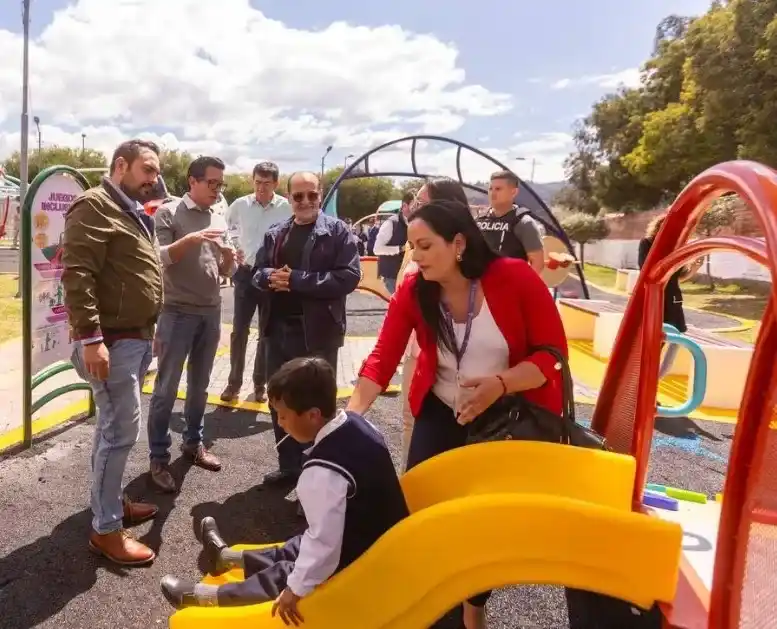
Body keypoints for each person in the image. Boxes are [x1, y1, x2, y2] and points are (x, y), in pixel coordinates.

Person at [346, 198, 567, 629]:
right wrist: (349, 417)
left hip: (506, 417)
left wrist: (500, 385)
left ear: (459, 243)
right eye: (412, 247)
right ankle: (423, 599)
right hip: (442, 409)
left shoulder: (514, 277)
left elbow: (553, 356)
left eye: (426, 246)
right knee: (422, 509)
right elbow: (382, 358)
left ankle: (473, 604)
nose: (416, 257)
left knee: (483, 525)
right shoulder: (415, 289)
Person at [159, 357, 409, 620]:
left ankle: (205, 599)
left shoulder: (323, 472)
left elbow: (324, 546)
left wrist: (295, 589)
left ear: (313, 415)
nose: (279, 423)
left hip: (364, 564)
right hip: (381, 542)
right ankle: (227, 558)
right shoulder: (357, 424)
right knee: (297, 546)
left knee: (285, 574)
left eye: (283, 415)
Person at [61, 139, 164, 565]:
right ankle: (105, 530)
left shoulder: (130, 210)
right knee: (119, 434)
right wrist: (91, 340)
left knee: (113, 431)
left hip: (133, 339)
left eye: (156, 172)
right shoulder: (95, 205)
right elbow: (77, 273)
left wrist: (148, 329)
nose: (153, 179)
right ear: (121, 165)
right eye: (147, 169)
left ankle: (111, 504)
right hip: (112, 343)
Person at [253, 171, 361, 486]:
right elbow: (257, 272)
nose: (305, 202)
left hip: (318, 333)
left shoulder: (338, 231)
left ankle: (317, 478)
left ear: (320, 195)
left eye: (311, 195)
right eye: (298, 196)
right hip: (278, 330)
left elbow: (348, 277)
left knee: (315, 406)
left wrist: (297, 280)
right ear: (288, 198)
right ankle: (289, 467)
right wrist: (269, 277)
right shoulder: (276, 233)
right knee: (280, 399)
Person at [146, 156, 237, 492]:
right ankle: (158, 457)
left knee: (200, 385)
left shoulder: (217, 215)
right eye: (212, 183)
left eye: (220, 184)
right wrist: (194, 238)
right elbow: (161, 257)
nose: (217, 190)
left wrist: (229, 258)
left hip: (211, 311)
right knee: (166, 388)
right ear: (193, 181)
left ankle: (193, 443)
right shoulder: (169, 212)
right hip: (177, 312)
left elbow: (225, 270)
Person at [398, 178, 471, 469]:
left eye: (422, 203)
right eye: (415, 203)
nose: (415, 209)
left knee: (451, 428)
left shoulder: (468, 253)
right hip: (416, 350)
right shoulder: (413, 244)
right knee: (408, 419)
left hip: (448, 356)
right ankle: (411, 487)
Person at [221, 162, 292, 403]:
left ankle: (260, 385)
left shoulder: (286, 208)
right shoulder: (240, 205)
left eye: (267, 183)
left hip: (271, 277)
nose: (261, 188)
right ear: (253, 181)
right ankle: (233, 384)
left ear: (276, 184)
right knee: (238, 331)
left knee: (266, 333)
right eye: (258, 182)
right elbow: (224, 229)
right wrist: (232, 248)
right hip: (244, 274)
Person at [638, 213, 703, 377]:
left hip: (673, 300)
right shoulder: (647, 244)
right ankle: (646, 385)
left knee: (675, 340)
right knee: (653, 345)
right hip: (656, 299)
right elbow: (647, 271)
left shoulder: (677, 247)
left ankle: (655, 381)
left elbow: (679, 276)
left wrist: (694, 268)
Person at [477, 170, 545, 273]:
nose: (493, 193)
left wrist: (519, 287)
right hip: (478, 286)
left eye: (498, 189)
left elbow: (537, 264)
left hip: (509, 285)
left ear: (513, 192)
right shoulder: (478, 220)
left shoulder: (524, 223)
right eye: (491, 189)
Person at [373, 192, 413, 295]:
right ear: (405, 205)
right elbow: (377, 249)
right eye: (415, 205)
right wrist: (400, 249)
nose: (419, 208)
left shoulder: (415, 223)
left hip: (409, 275)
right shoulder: (391, 223)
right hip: (392, 276)